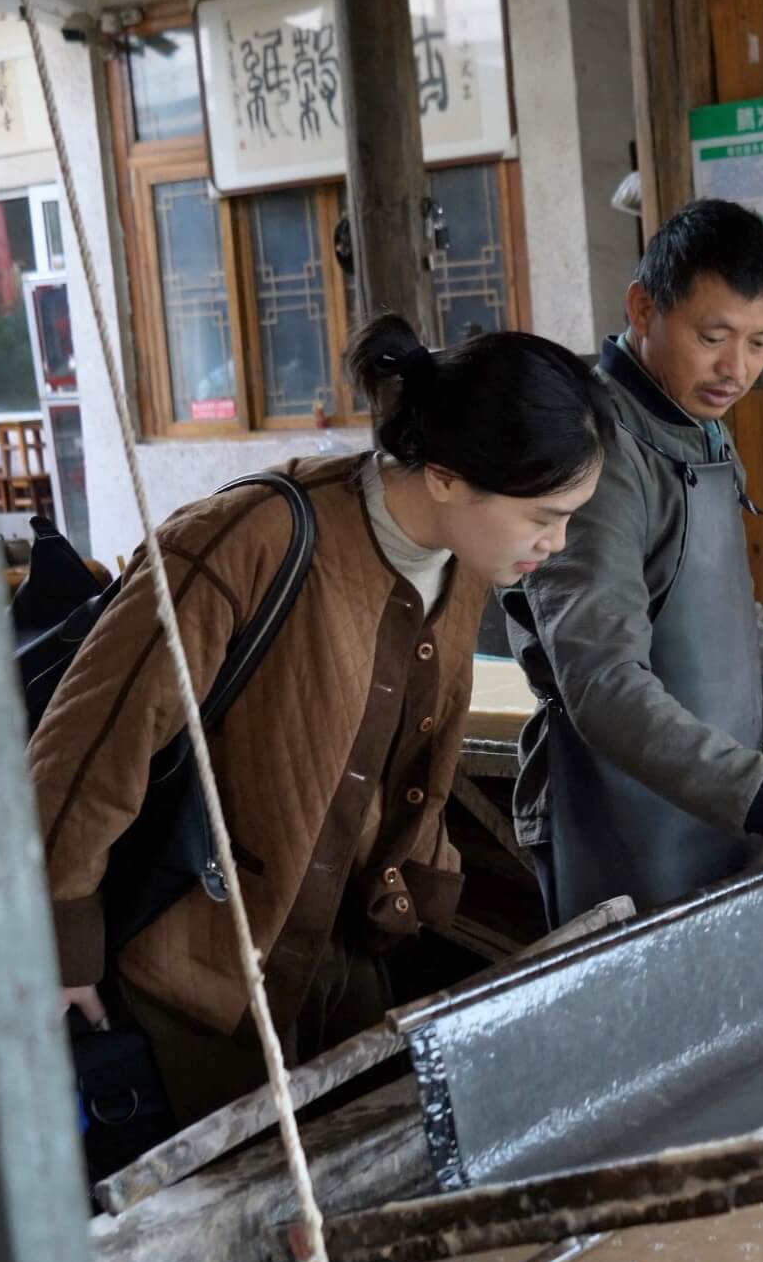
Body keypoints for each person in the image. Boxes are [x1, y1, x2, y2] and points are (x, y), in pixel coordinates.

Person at [31, 315, 611, 1126]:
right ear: (444, 476)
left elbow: (420, 769)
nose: (557, 541)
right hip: (193, 985)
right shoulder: (253, 538)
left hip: (341, 973)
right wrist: (55, 948)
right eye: (543, 516)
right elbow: (90, 744)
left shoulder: (462, 562)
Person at [502, 199, 763, 927]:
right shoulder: (597, 452)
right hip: (622, 822)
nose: (736, 369)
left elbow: (727, 619)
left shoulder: (697, 424)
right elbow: (603, 684)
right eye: (713, 336)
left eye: (759, 343)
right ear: (644, 308)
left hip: (723, 805)